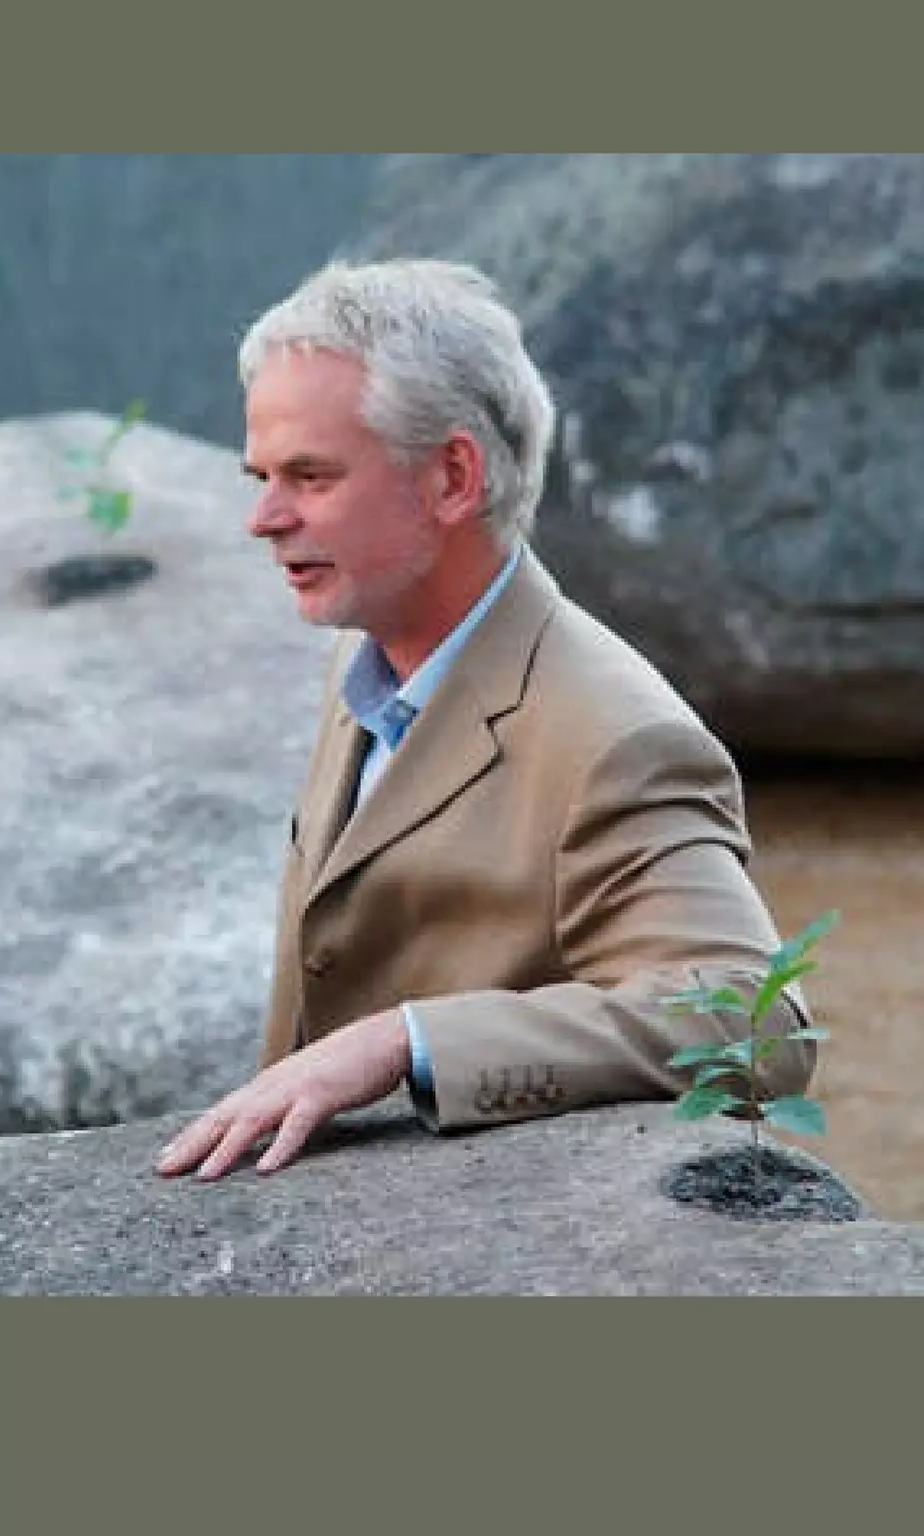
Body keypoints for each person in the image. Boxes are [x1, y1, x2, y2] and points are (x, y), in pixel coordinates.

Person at [156, 258, 814, 1182]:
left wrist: (408, 1041)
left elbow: (751, 1025)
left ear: (453, 478)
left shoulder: (616, 737)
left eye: (308, 475)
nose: (262, 518)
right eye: (260, 475)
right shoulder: (367, 648)